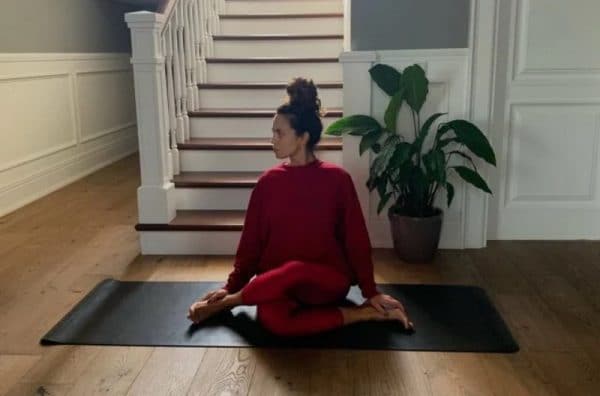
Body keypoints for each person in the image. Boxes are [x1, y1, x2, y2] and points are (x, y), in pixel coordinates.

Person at [187, 77, 414, 336]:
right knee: (274, 322)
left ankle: (228, 305)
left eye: (279, 133)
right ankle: (363, 315)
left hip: (327, 281)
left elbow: (356, 240)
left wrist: (370, 291)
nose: (272, 139)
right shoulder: (267, 183)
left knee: (295, 269)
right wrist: (230, 285)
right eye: (272, 132)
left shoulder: (337, 180)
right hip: (277, 286)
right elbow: (251, 245)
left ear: (303, 137)